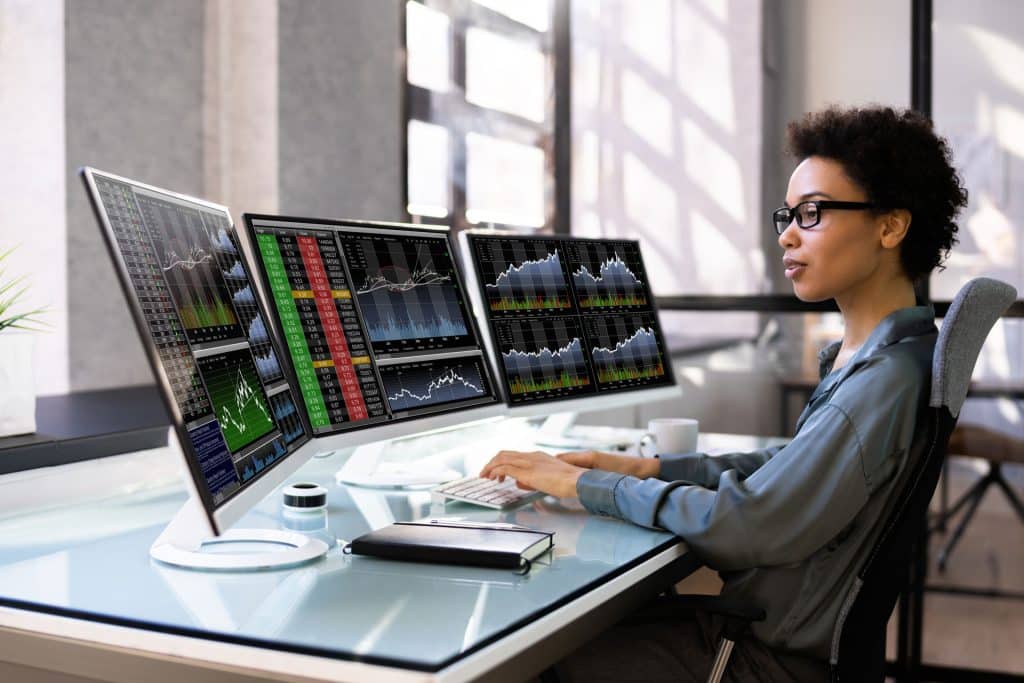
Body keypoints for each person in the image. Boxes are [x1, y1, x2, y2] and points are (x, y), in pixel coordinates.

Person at [480, 105, 968, 682]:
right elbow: (791, 468)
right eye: (788, 214)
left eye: (812, 213)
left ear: (889, 227)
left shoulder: (882, 382)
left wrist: (586, 486)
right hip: (771, 640)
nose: (786, 234)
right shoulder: (889, 357)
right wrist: (647, 468)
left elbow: (749, 525)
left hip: (764, 662)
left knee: (524, 654)